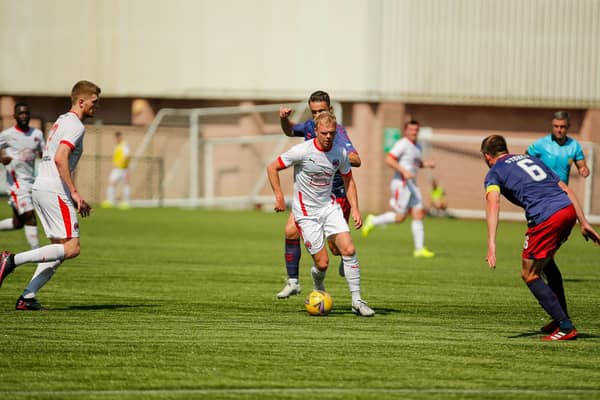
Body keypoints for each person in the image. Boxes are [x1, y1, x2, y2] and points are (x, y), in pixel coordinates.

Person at [481, 135, 600, 341]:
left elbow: (493, 202)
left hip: (547, 217)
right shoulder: (532, 160)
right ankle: (558, 318)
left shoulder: (495, 171)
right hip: (567, 211)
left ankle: (565, 326)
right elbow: (566, 189)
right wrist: (584, 222)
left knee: (529, 274)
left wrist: (491, 242)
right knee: (547, 263)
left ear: (486, 156)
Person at [0, 80, 101, 310]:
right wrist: (74, 193)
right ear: (81, 101)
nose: (97, 106)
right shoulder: (75, 125)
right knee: (72, 248)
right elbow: (60, 157)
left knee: (59, 251)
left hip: (41, 187)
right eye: (94, 102)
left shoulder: (62, 120)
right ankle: (12, 260)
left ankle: (27, 297)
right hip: (55, 189)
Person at [267, 111, 375, 317]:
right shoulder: (301, 151)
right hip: (306, 214)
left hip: (329, 208)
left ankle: (357, 301)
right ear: (315, 131)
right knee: (323, 263)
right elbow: (272, 168)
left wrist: (356, 209)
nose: (328, 137)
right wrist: (279, 196)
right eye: (324, 133)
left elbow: (349, 180)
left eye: (332, 133)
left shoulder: (340, 152)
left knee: (349, 250)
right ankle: (318, 286)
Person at [276, 90, 361, 299]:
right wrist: (284, 120)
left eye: (321, 110)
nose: (317, 115)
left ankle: (346, 261)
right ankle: (293, 282)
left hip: (335, 193)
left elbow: (357, 160)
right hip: (309, 195)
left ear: (330, 110)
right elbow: (289, 131)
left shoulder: (337, 133)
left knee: (334, 248)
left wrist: (335, 154)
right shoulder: (309, 126)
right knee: (290, 231)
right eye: (314, 111)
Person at [361, 120, 436, 258]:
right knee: (400, 217)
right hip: (401, 184)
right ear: (406, 131)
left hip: (412, 185)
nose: (414, 132)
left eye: (416, 130)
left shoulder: (417, 146)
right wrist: (404, 171)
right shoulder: (402, 144)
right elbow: (389, 159)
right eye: (411, 130)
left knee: (418, 213)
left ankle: (419, 249)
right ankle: (373, 220)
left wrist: (426, 164)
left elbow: (415, 163)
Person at [0, 103, 45, 249]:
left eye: (26, 113)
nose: (24, 116)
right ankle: (38, 255)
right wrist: (1, 159)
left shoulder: (37, 135)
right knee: (30, 216)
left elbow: (44, 154)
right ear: (15, 116)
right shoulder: (7, 135)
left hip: (31, 182)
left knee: (18, 223)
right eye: (20, 113)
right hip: (16, 184)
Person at [526, 111, 589, 184]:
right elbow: (526, 158)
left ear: (568, 126)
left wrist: (584, 170)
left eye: (562, 127)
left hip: (562, 191)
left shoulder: (574, 146)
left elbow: (582, 167)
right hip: (542, 190)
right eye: (556, 126)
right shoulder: (541, 143)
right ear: (552, 126)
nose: (559, 130)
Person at [101, 131, 131, 209]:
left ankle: (126, 202)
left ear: (120, 137)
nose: (116, 139)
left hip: (123, 169)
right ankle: (110, 201)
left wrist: (123, 164)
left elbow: (127, 156)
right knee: (111, 182)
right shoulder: (117, 146)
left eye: (117, 137)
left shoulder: (124, 145)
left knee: (125, 184)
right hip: (117, 169)